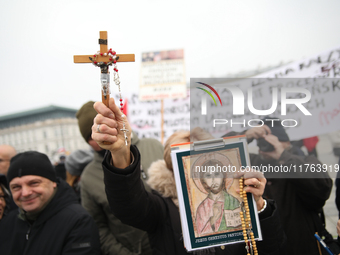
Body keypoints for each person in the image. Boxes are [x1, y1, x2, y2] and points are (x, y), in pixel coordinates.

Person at [91, 98, 287, 255]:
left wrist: (260, 206)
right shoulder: (162, 207)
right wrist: (121, 153)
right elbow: (128, 206)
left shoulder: (240, 197)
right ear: (173, 170)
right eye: (187, 167)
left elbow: (274, 248)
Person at [224, 118, 333, 255]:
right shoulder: (254, 163)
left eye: (271, 141)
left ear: (287, 142)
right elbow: (219, 155)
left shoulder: (304, 161)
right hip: (268, 245)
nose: (265, 146)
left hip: (303, 245)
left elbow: (322, 189)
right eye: (262, 142)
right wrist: (245, 135)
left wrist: (283, 155)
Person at [76, 101, 164, 255]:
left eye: (105, 126)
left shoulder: (153, 146)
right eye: (92, 134)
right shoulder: (89, 177)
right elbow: (97, 227)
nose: (103, 133)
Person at [0, 151, 101, 255]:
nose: (25, 193)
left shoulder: (78, 221)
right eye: (16, 187)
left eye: (34, 183)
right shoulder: (7, 223)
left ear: (53, 182)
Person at [195, 159, 241, 235]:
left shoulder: (233, 201)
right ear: (204, 182)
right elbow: (199, 236)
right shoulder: (202, 208)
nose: (213, 180)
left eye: (216, 174)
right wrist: (213, 220)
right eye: (208, 176)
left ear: (223, 178)